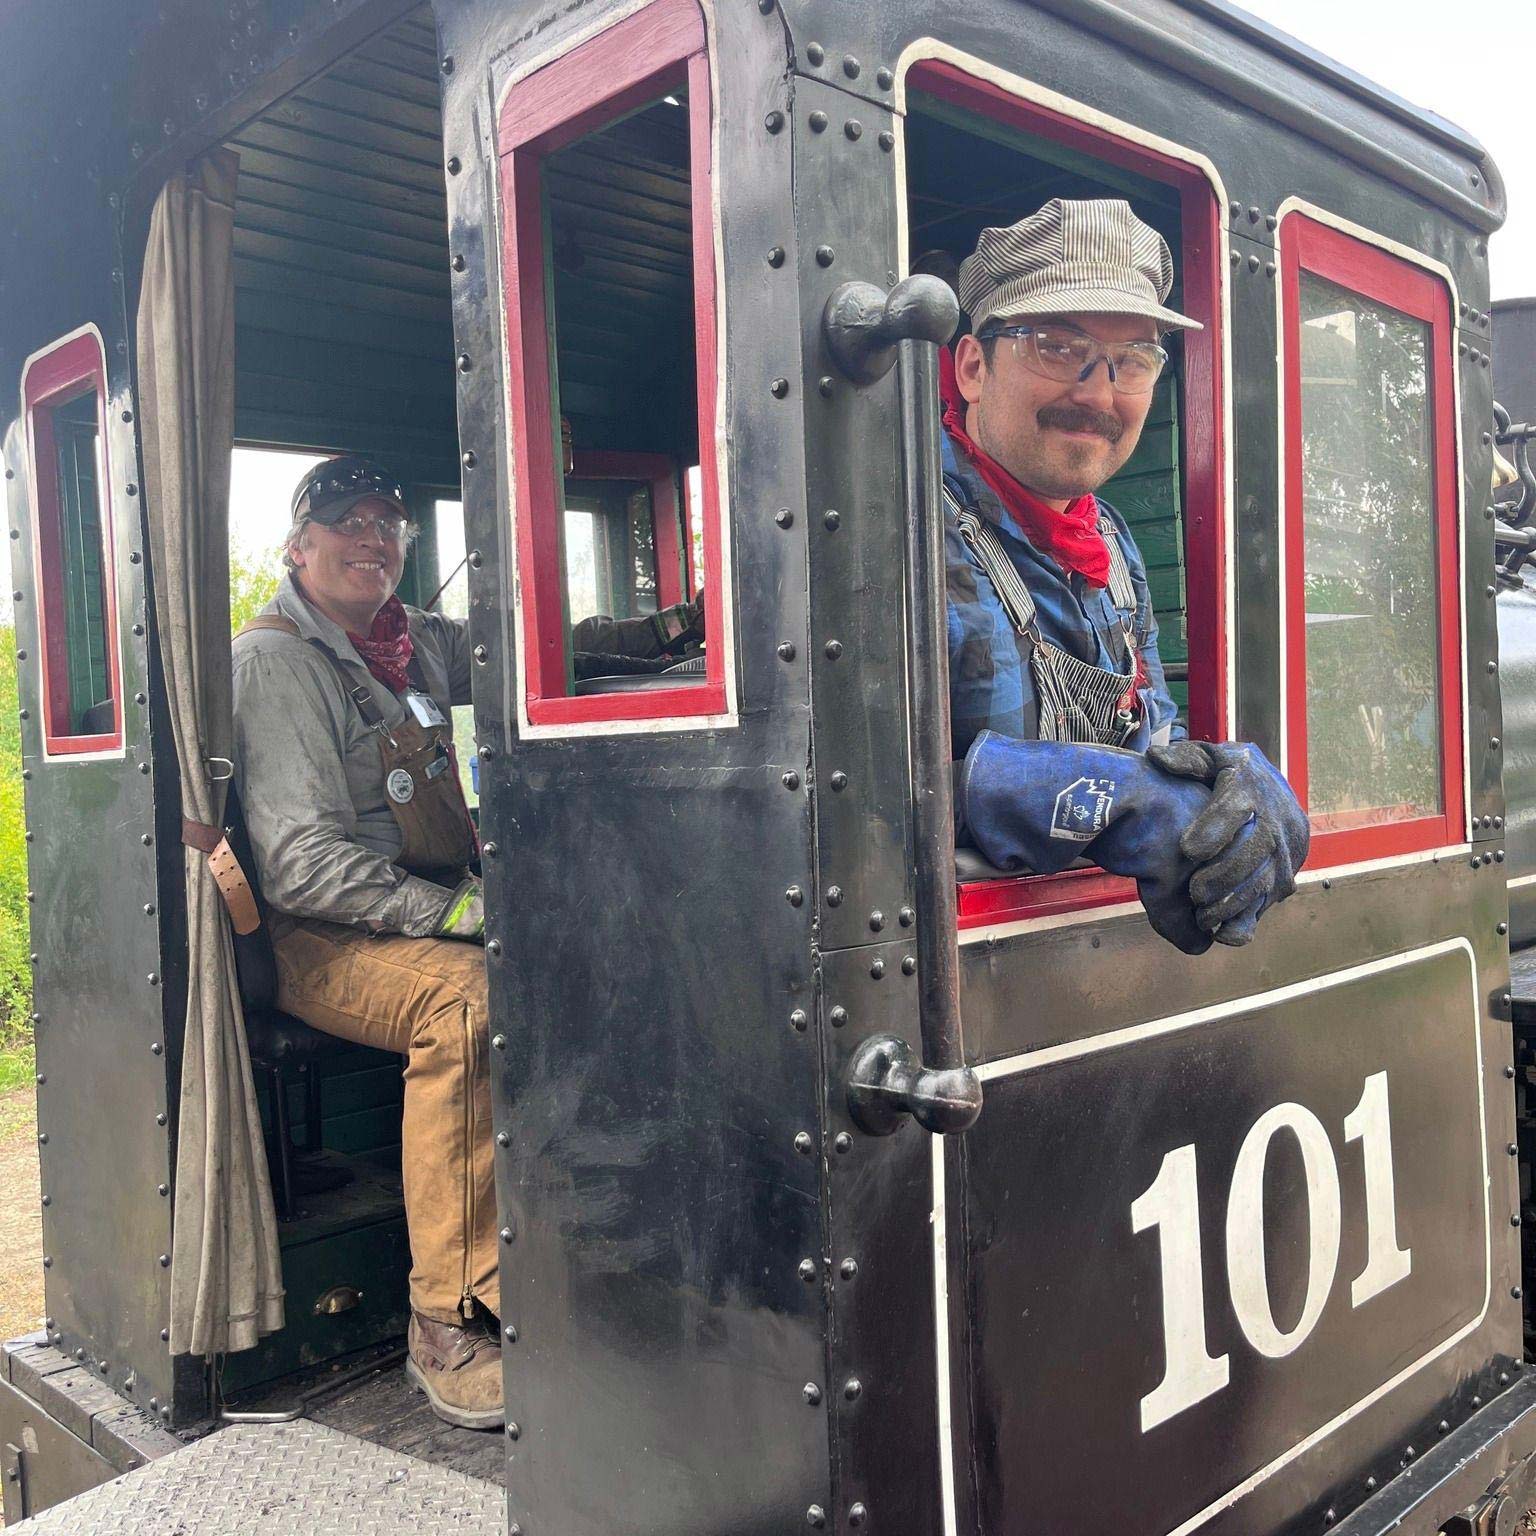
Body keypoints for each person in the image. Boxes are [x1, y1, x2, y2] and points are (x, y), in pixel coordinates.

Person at [230, 454, 697, 1428]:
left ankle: (577, 1250)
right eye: (346, 522)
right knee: (472, 999)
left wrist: (679, 629)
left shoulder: (411, 644)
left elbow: (543, 644)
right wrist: (470, 919)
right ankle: (447, 1319)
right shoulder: (275, 660)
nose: (372, 538)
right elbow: (303, 868)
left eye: (387, 522)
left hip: (428, 907)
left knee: (602, 944)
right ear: (297, 547)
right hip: (324, 938)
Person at [939, 199, 1309, 951]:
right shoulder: (889, 526)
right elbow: (842, 804)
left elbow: (1150, 733)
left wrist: (1209, 780)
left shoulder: (1112, 545)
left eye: (1132, 360)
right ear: (974, 367)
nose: (1098, 393)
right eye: (1055, 345)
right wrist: (1095, 799)